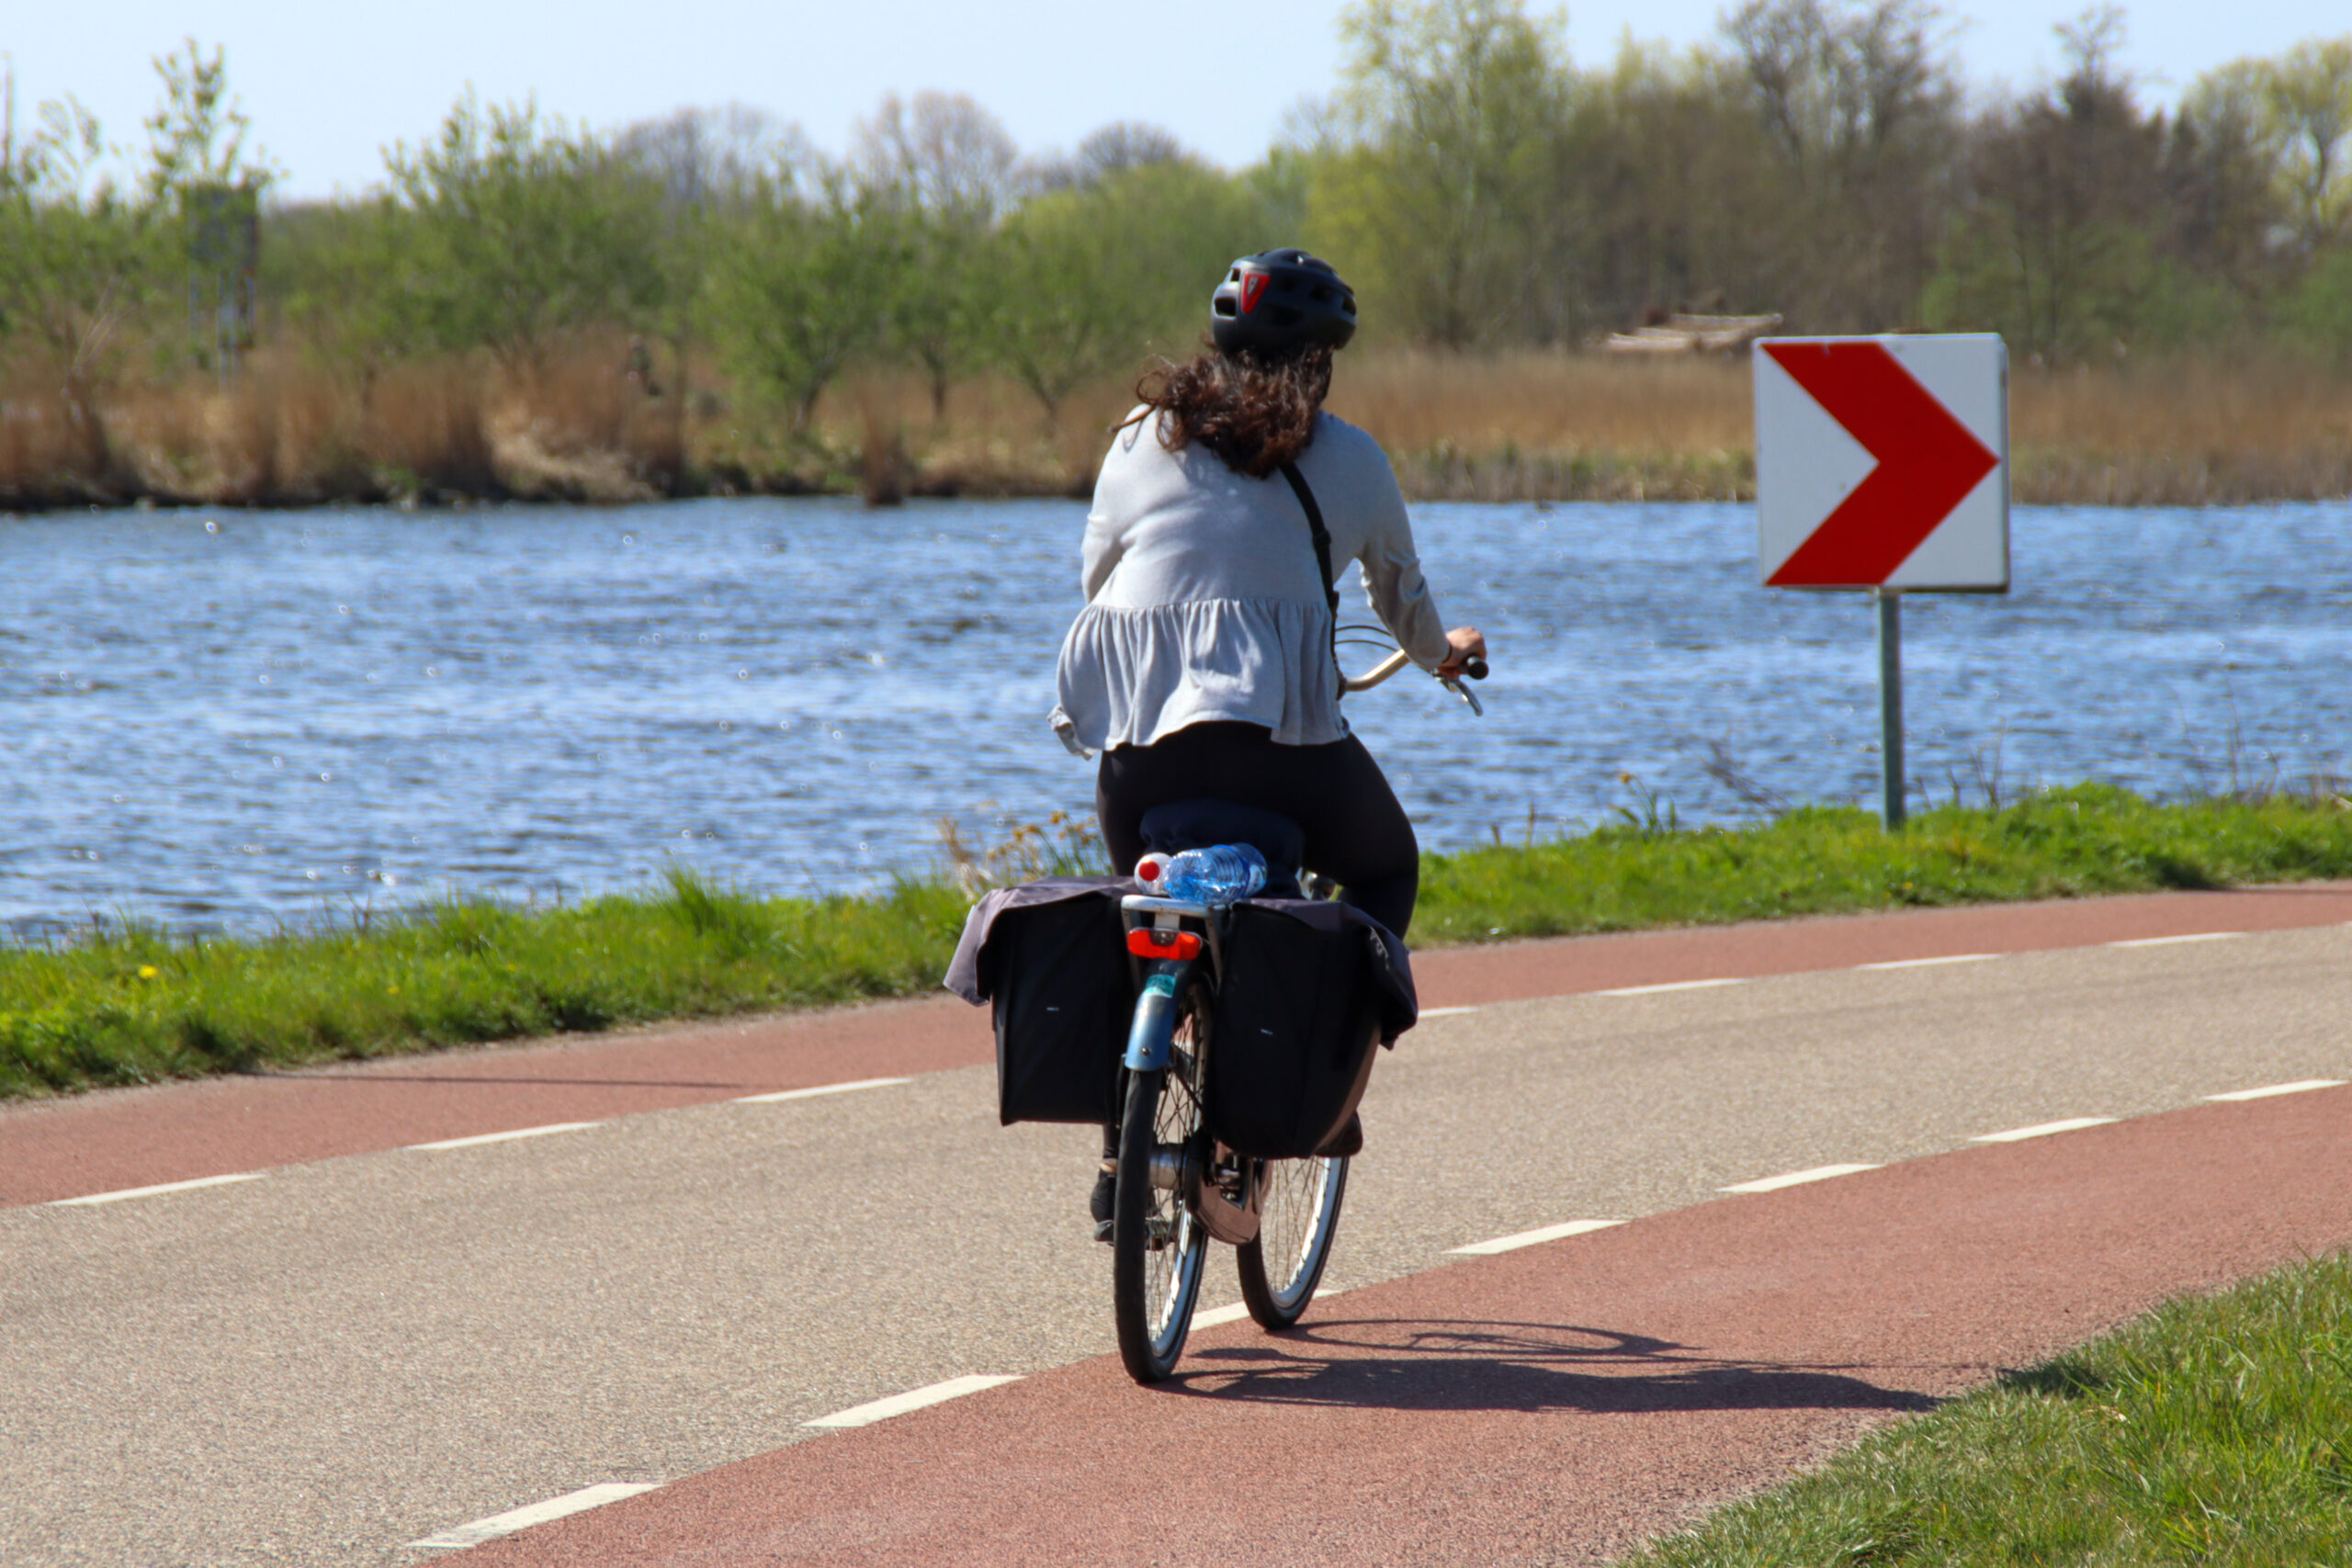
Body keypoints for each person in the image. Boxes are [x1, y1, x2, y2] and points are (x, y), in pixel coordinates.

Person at [1048, 247, 1486, 1237]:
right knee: (1384, 870)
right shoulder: (1350, 458)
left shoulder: (1135, 440)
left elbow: (1097, 578)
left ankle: (1123, 1145)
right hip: (1278, 755)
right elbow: (1403, 602)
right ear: (1321, 362)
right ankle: (1316, 1094)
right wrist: (1445, 655)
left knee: (1146, 913)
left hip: (1137, 758)